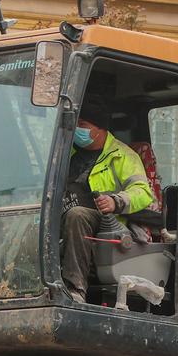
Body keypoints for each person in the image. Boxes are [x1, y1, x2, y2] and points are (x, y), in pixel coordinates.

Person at [61, 116, 156, 303]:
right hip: (65, 217)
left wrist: (116, 201)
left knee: (77, 215)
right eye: (76, 124)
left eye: (83, 124)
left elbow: (143, 192)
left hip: (107, 225)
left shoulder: (122, 156)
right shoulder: (66, 153)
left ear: (100, 128)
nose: (78, 129)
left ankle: (74, 290)